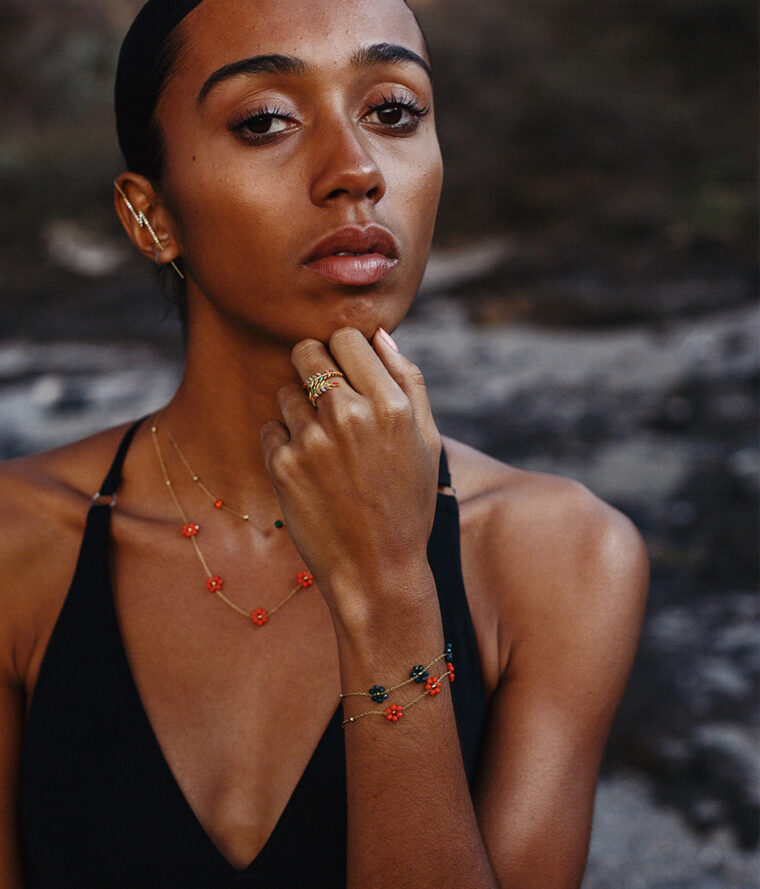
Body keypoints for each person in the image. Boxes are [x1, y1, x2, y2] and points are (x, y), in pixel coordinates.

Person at [0, 0, 649, 886]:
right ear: (152, 218)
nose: (356, 169)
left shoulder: (564, 557)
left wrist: (388, 589)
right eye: (265, 121)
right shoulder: (17, 547)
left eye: (393, 112)